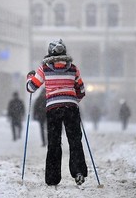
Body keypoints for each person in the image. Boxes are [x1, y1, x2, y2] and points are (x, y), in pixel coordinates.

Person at [26, 39, 88, 186]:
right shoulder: (73, 68)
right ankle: (78, 171)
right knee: (75, 140)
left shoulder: (44, 69)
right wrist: (73, 100)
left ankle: (53, 178)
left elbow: (31, 88)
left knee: (54, 143)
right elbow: (82, 90)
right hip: (71, 108)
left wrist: (30, 76)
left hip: (53, 109)